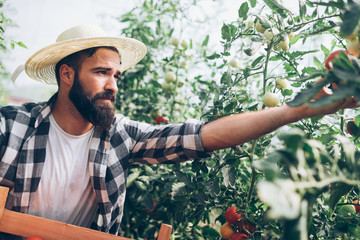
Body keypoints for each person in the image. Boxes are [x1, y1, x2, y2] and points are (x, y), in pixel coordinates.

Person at [0, 24, 357, 238]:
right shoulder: (13, 126)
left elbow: (202, 136)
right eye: (101, 72)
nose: (113, 85)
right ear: (67, 74)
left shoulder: (120, 136)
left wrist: (301, 109)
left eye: (117, 75)